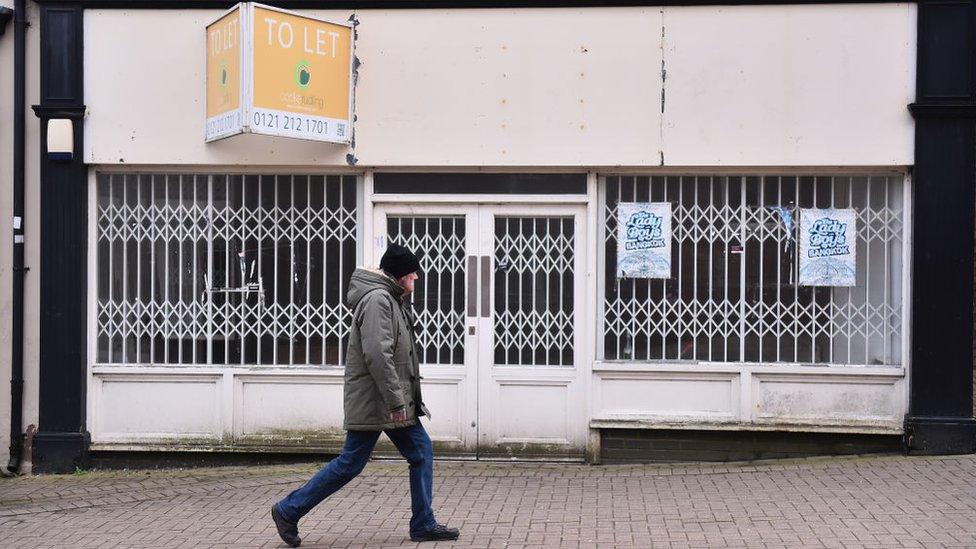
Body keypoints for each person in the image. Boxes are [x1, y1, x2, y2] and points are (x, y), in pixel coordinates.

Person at [271, 244, 460, 547]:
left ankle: (423, 523)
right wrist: (397, 401)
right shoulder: (377, 301)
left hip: (386, 399)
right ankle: (288, 510)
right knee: (351, 463)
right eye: (412, 273)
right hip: (378, 401)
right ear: (399, 276)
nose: (416, 277)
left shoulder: (392, 298)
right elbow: (377, 354)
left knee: (420, 451)